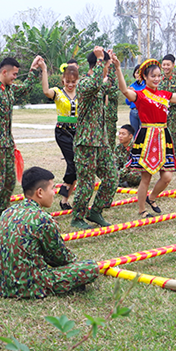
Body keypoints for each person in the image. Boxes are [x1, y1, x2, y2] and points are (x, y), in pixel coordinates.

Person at [115, 58, 176, 217]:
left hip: (163, 137)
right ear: (145, 77)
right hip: (146, 137)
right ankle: (142, 210)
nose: (157, 79)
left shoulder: (165, 94)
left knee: (167, 176)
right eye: (153, 76)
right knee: (146, 178)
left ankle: (152, 197)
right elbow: (124, 90)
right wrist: (118, 68)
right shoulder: (140, 95)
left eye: (159, 76)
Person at [0, 167, 100, 299]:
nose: (54, 193)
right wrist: (77, 266)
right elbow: (60, 258)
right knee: (90, 268)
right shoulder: (42, 219)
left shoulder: (7, 212)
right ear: (40, 192)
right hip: (28, 286)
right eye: (52, 188)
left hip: (1, 284)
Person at [0, 56, 39, 219]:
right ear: (4, 72)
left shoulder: (9, 88)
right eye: (14, 74)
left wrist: (33, 70)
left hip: (6, 142)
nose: (15, 78)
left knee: (10, 179)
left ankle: (2, 210)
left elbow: (26, 88)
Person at [71, 47, 120, 230]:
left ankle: (96, 210)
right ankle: (77, 217)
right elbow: (95, 83)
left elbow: (112, 86)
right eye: (106, 65)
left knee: (112, 177)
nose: (106, 68)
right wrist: (101, 60)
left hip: (101, 141)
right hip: (86, 142)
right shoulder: (85, 83)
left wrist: (114, 65)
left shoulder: (99, 84)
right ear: (98, 65)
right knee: (86, 182)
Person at [39, 59, 80, 210]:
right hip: (63, 132)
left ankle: (64, 199)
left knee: (77, 164)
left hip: (78, 131)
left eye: (73, 82)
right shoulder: (57, 92)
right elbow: (45, 91)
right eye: (67, 81)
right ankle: (64, 189)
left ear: (77, 80)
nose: (70, 84)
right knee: (73, 162)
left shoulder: (81, 92)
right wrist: (44, 69)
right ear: (63, 79)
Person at [126, 64, 145, 133]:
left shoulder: (147, 86)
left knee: (143, 133)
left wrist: (135, 93)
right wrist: (128, 94)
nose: (138, 75)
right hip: (133, 112)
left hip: (143, 111)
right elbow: (128, 102)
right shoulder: (132, 86)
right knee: (134, 133)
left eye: (140, 73)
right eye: (136, 72)